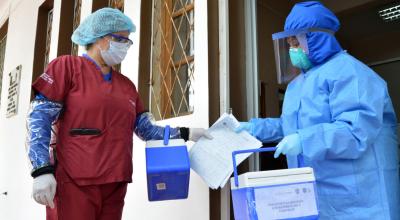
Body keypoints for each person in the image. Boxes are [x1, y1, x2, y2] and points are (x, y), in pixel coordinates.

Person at [26, 8, 211, 220]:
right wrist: (41, 169)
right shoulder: (67, 67)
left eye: (127, 41)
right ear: (100, 38)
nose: (125, 46)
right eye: (120, 39)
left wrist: (187, 133)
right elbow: (39, 118)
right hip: (74, 182)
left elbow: (146, 130)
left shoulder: (127, 87)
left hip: (115, 183)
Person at [236, 1, 399, 219]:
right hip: (315, 194)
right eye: (290, 41)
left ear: (316, 38)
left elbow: (355, 131)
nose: (292, 48)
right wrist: (253, 128)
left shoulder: (351, 72)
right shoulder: (298, 84)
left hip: (359, 199)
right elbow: (291, 127)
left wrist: (305, 140)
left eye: (297, 40)